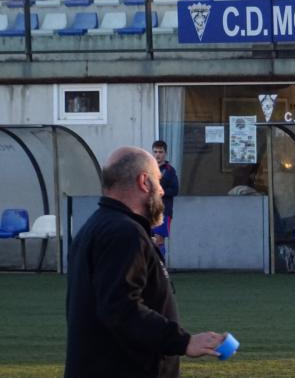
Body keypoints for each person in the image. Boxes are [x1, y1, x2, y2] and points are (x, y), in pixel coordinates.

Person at [65, 146, 226, 377]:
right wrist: (183, 342)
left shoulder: (96, 228)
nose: (162, 190)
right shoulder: (123, 233)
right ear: (144, 182)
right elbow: (121, 308)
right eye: (158, 181)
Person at [152, 140, 179, 257]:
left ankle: (161, 269)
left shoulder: (169, 170)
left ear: (165, 153)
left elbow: (175, 190)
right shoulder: (147, 169)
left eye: (160, 152)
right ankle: (150, 270)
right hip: (147, 211)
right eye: (155, 152)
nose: (158, 154)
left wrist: (160, 192)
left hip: (163, 212)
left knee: (159, 240)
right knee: (148, 241)